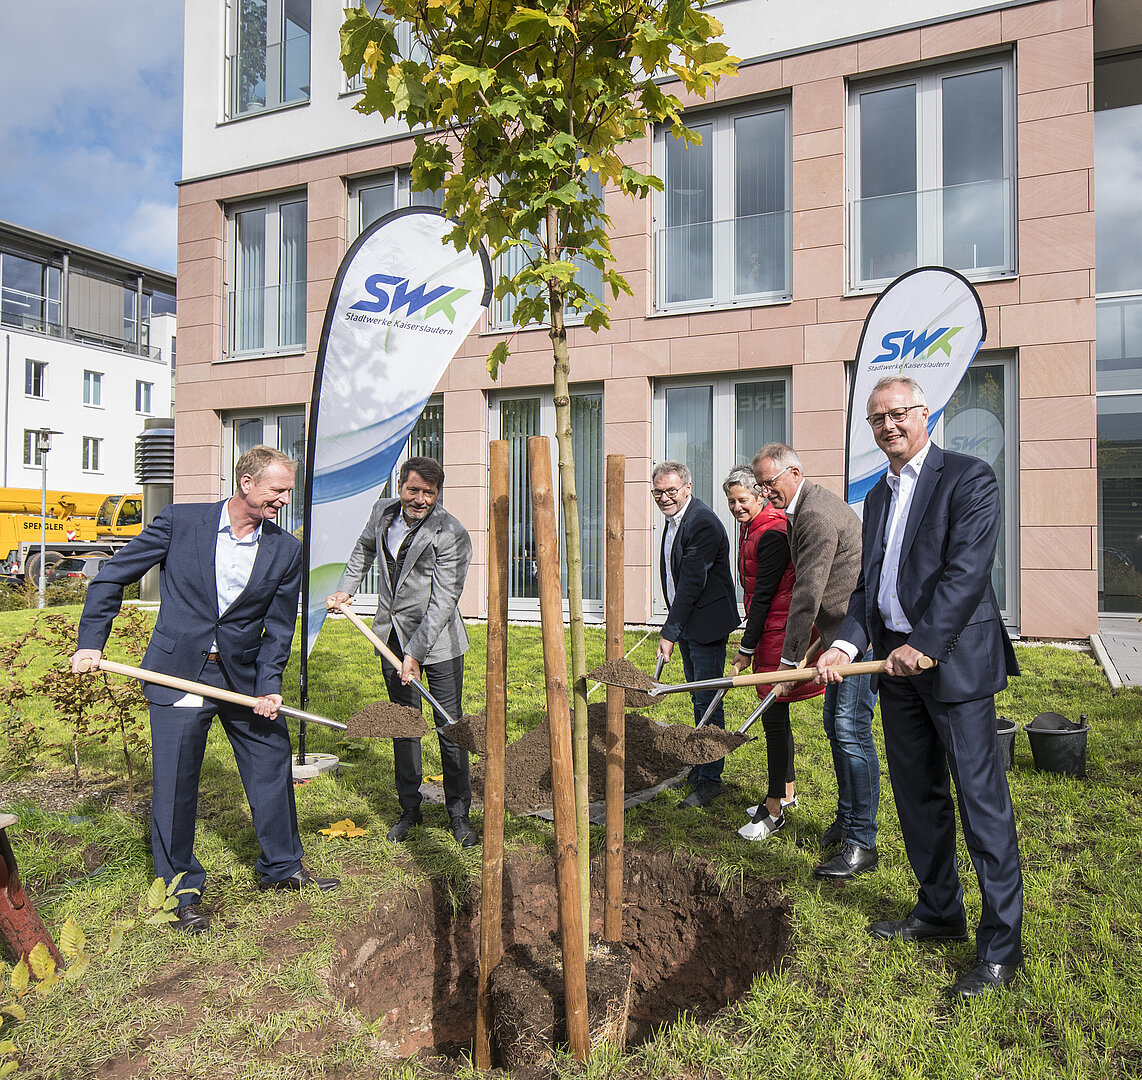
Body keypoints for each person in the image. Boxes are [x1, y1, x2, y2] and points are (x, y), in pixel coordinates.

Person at [70, 445, 338, 935]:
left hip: (243, 677)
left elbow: (279, 628)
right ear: (246, 483)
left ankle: (282, 867)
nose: (283, 500)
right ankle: (180, 891)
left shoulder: (284, 548)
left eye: (287, 492)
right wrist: (92, 643)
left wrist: (270, 685)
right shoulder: (180, 522)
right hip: (179, 671)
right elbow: (111, 577)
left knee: (271, 759)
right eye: (277, 491)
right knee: (174, 785)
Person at [816, 375, 1023, 998]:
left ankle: (1000, 948)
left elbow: (966, 573)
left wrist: (925, 646)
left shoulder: (969, 477)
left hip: (952, 664)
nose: (887, 426)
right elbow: (867, 587)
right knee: (916, 794)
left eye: (897, 414)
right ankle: (938, 908)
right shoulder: (876, 497)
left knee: (980, 803)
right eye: (877, 419)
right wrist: (847, 643)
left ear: (924, 413)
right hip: (893, 671)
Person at [327, 457, 476, 847]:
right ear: (399, 486)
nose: (421, 499)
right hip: (390, 636)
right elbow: (362, 550)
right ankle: (410, 808)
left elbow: (444, 601)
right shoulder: (382, 513)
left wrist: (416, 652)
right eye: (414, 490)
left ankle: (459, 812)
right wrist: (347, 588)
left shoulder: (451, 533)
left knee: (449, 726)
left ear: (438, 493)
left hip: (437, 642)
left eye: (429, 492)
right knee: (404, 725)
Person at [751, 443, 880, 879]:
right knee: (835, 726)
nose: (766, 493)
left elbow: (807, 594)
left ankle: (862, 841)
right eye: (761, 486)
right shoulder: (800, 509)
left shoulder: (817, 516)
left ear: (795, 472)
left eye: (770, 483)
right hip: (837, 636)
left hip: (858, 639)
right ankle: (847, 820)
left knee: (850, 730)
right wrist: (813, 646)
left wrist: (788, 665)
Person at [722, 467, 824, 842]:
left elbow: (764, 597)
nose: (736, 507)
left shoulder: (772, 533)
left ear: (760, 496)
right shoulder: (756, 527)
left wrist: (744, 650)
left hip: (779, 633)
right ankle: (789, 790)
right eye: (731, 501)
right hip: (769, 628)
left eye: (743, 500)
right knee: (776, 717)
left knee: (772, 718)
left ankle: (774, 807)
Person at [653, 461, 740, 809]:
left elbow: (691, 583)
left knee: (707, 699)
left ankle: (710, 780)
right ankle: (703, 764)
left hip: (705, 625)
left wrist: (669, 632)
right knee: (697, 696)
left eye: (671, 491)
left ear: (688, 488)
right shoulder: (677, 520)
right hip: (689, 621)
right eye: (658, 491)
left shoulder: (700, 522)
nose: (664, 497)